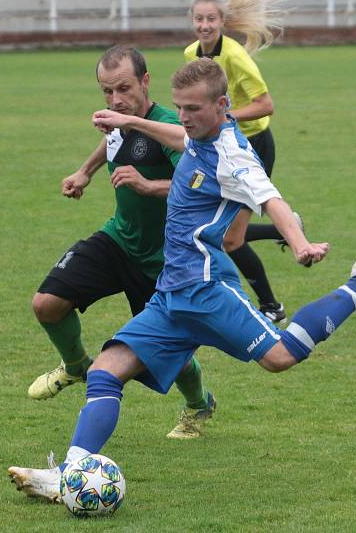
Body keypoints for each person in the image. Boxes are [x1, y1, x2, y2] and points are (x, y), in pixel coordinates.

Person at [8, 58, 356, 503]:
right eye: (179, 107)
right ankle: (70, 474)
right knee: (104, 373)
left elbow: (274, 202)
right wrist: (130, 119)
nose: (184, 118)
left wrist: (301, 243)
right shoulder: (196, 133)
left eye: (192, 109)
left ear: (222, 105)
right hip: (171, 295)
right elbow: (180, 138)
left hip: (208, 290)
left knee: (281, 357)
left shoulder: (235, 157)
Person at [27, 45, 215, 441]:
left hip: (164, 261)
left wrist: (148, 185)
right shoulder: (118, 121)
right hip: (119, 240)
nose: (115, 100)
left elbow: (197, 183)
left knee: (171, 358)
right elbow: (113, 141)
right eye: (107, 92)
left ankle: (199, 404)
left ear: (145, 82)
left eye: (124, 89)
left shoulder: (167, 125)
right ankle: (76, 365)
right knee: (47, 304)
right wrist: (84, 173)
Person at [185, 0, 296, 325]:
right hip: (223, 147)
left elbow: (266, 105)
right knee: (218, 230)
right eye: (199, 19)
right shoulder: (192, 54)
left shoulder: (234, 56)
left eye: (211, 19)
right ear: (193, 22)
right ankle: (283, 227)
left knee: (230, 240)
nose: (205, 25)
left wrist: (226, 117)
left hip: (255, 145)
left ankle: (272, 307)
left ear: (222, 22)